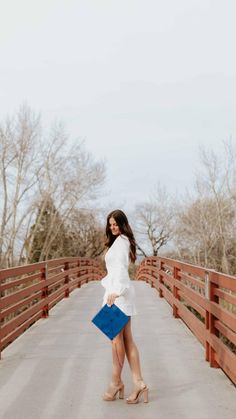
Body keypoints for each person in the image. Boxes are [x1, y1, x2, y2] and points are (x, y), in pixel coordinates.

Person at [101, 209, 149, 404]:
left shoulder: (121, 242)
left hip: (117, 295)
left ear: (123, 224)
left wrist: (117, 291)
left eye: (116, 224)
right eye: (111, 224)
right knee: (127, 340)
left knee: (115, 341)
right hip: (119, 294)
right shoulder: (122, 241)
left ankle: (115, 383)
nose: (113, 227)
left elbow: (120, 269)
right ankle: (138, 382)